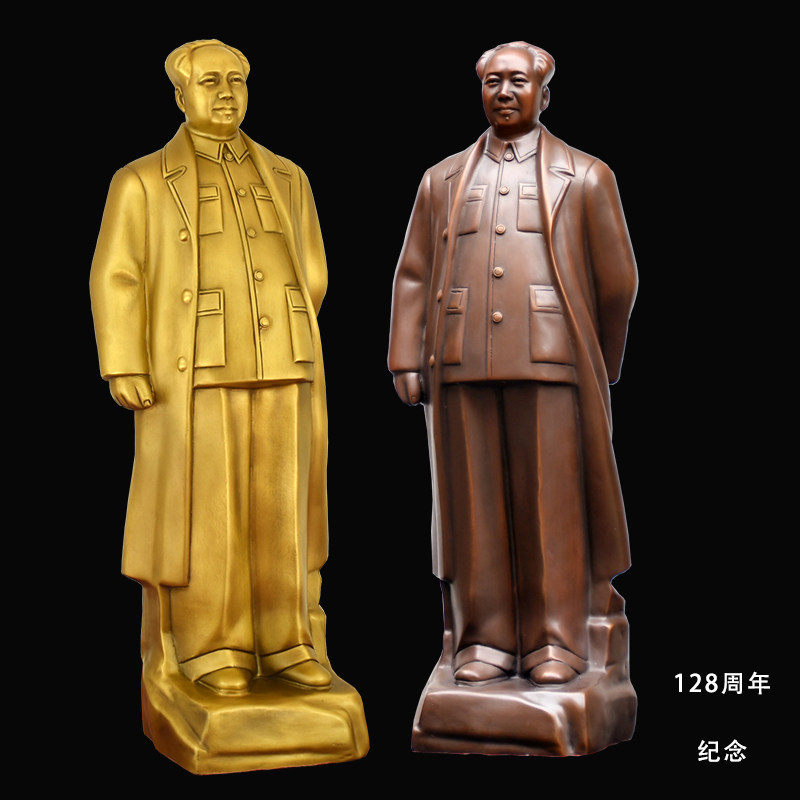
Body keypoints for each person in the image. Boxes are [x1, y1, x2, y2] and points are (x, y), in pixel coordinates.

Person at [91, 39, 337, 697]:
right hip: (195, 369)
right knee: (208, 512)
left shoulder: (288, 175)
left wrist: (281, 322)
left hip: (285, 360)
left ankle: (286, 641)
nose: (225, 93)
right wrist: (124, 361)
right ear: (181, 95)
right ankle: (213, 644)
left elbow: (312, 267)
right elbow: (117, 274)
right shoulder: (141, 180)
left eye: (236, 80)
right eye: (209, 82)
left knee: (283, 509)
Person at [389, 41, 638, 689]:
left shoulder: (585, 176)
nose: (504, 92)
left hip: (551, 361)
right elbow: (413, 272)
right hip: (461, 361)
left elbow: (617, 281)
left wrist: (600, 361)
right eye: (493, 81)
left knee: (552, 505)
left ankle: (556, 639)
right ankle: (486, 638)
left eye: (518, 81)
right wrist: (406, 356)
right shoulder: (443, 179)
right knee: (474, 508)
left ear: (543, 94)